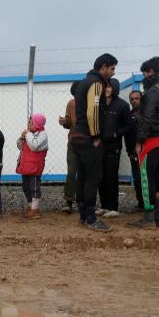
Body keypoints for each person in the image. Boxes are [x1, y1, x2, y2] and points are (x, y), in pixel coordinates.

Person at [72, 53, 117, 231]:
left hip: (77, 136)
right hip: (89, 138)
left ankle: (83, 215)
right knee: (93, 177)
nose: (113, 73)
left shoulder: (83, 83)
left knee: (82, 177)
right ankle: (91, 218)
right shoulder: (97, 83)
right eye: (112, 68)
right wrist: (97, 136)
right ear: (104, 67)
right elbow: (93, 112)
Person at [128, 57, 159, 229]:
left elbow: (146, 119)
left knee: (146, 178)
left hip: (151, 140)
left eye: (145, 72)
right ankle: (158, 217)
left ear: (151, 72)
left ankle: (148, 217)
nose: (144, 76)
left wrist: (139, 141)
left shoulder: (152, 93)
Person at [98, 78, 130, 218]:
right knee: (101, 176)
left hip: (113, 146)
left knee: (111, 176)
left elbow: (128, 125)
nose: (106, 89)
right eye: (105, 87)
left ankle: (113, 207)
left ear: (115, 88)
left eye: (109, 87)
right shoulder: (100, 104)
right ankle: (104, 206)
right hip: (100, 145)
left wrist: (117, 133)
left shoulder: (122, 105)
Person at [17, 113, 48, 220]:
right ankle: (31, 207)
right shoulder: (29, 134)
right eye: (29, 122)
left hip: (35, 167)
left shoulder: (42, 135)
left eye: (32, 122)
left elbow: (34, 146)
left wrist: (28, 135)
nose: (29, 123)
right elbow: (20, 147)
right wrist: (21, 138)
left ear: (38, 124)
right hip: (26, 166)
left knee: (34, 187)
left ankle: (35, 210)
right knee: (25, 186)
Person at [58, 81, 79, 213]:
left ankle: (85, 201)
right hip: (73, 143)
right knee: (72, 172)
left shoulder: (92, 104)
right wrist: (64, 122)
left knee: (87, 173)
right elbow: (69, 122)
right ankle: (69, 201)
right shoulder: (72, 104)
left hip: (89, 143)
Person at [124, 90, 145, 210]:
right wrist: (129, 152)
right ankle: (141, 204)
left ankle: (154, 205)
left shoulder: (147, 114)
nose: (134, 101)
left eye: (137, 98)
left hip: (147, 151)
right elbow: (127, 136)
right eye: (132, 99)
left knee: (149, 178)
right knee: (137, 179)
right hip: (134, 153)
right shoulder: (129, 115)